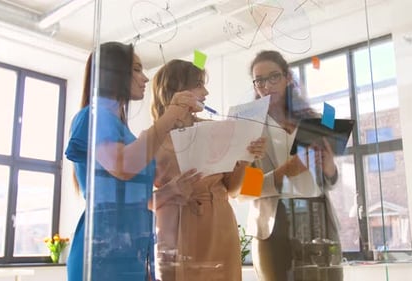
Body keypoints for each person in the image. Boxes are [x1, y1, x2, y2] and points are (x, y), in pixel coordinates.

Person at [65, 42, 203, 281]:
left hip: (134, 254)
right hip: (101, 253)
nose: (145, 78)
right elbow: (124, 166)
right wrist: (170, 115)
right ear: (114, 74)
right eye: (137, 70)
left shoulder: (124, 132)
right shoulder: (91, 117)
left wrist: (171, 191)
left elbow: (138, 202)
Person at [150, 59, 266, 281]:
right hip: (176, 228)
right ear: (176, 89)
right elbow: (141, 201)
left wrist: (246, 158)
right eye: (198, 84)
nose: (206, 92)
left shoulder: (215, 129)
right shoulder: (153, 138)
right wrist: (172, 190)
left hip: (221, 223)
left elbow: (233, 189)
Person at [246, 50, 342, 281]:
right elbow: (247, 189)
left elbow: (329, 180)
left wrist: (328, 167)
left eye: (273, 77)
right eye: (259, 80)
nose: (266, 85)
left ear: (288, 78)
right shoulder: (248, 127)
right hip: (273, 225)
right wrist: (285, 171)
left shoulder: (313, 121)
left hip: (316, 217)